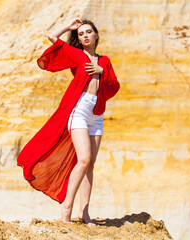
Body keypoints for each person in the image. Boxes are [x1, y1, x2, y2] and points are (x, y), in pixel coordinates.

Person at [17, 19, 120, 225]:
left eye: (89, 32)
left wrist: (102, 72)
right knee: (83, 159)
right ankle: (66, 207)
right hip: (80, 111)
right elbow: (52, 37)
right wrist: (68, 28)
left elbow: (115, 86)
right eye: (81, 34)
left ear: (96, 35)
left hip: (96, 115)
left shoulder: (105, 61)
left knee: (90, 164)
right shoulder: (77, 54)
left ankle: (85, 213)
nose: (85, 36)